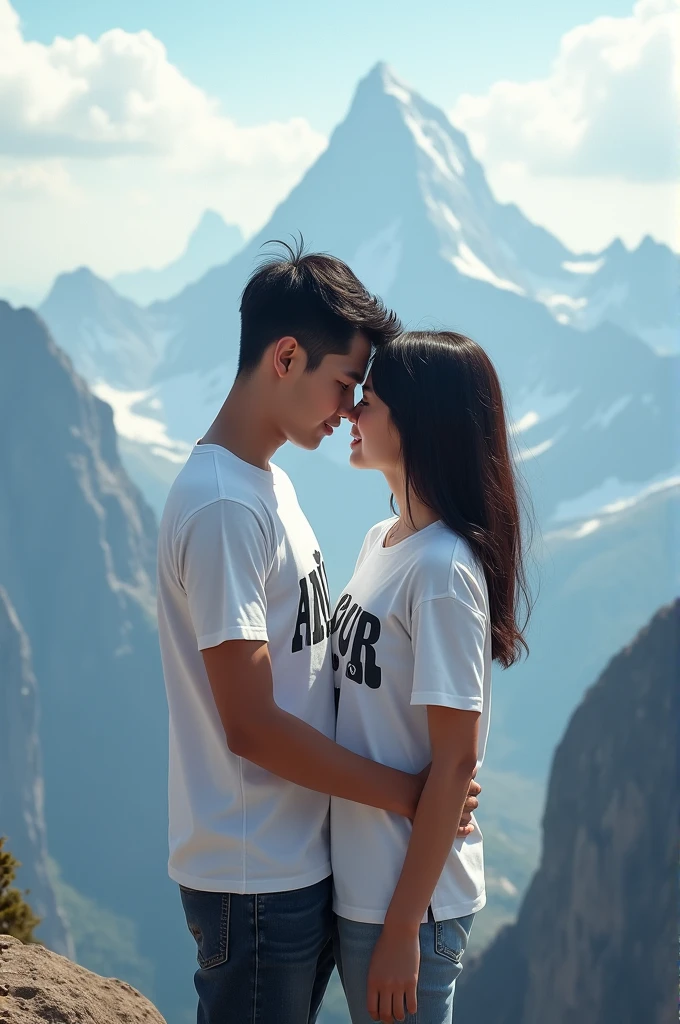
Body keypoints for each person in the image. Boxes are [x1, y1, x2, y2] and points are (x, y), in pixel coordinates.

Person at [156, 243, 482, 1024]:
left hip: (296, 865)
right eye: (343, 382)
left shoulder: (268, 487)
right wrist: (413, 795)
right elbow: (251, 723)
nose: (348, 408)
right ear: (286, 355)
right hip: (253, 871)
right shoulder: (225, 507)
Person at [331, 331, 531, 1024]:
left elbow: (455, 763)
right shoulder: (381, 541)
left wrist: (399, 932)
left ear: (417, 423)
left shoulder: (442, 572)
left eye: (372, 400)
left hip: (409, 906)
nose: (353, 412)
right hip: (368, 887)